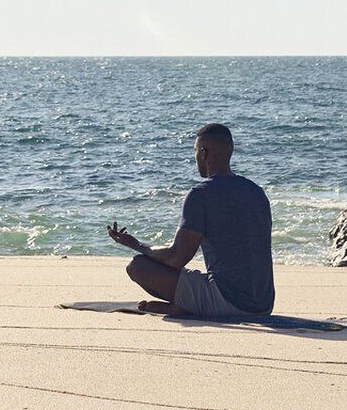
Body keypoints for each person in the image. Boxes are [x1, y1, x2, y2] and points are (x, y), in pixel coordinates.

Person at [107, 122, 274, 319]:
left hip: (230, 303)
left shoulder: (200, 194)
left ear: (203, 153)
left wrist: (136, 244)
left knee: (138, 266)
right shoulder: (256, 192)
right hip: (264, 304)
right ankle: (192, 303)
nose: (195, 158)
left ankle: (191, 307)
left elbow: (176, 258)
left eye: (195, 151)